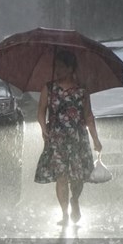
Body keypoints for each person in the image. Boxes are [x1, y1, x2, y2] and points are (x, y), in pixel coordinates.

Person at [34, 50, 102, 226]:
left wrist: (96, 139)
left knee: (78, 176)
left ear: (71, 68)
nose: (58, 70)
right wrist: (43, 128)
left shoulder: (82, 90)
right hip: (56, 137)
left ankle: (75, 200)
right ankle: (64, 214)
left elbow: (88, 116)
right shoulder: (48, 88)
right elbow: (41, 112)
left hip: (77, 137)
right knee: (62, 176)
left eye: (62, 67)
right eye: (57, 67)